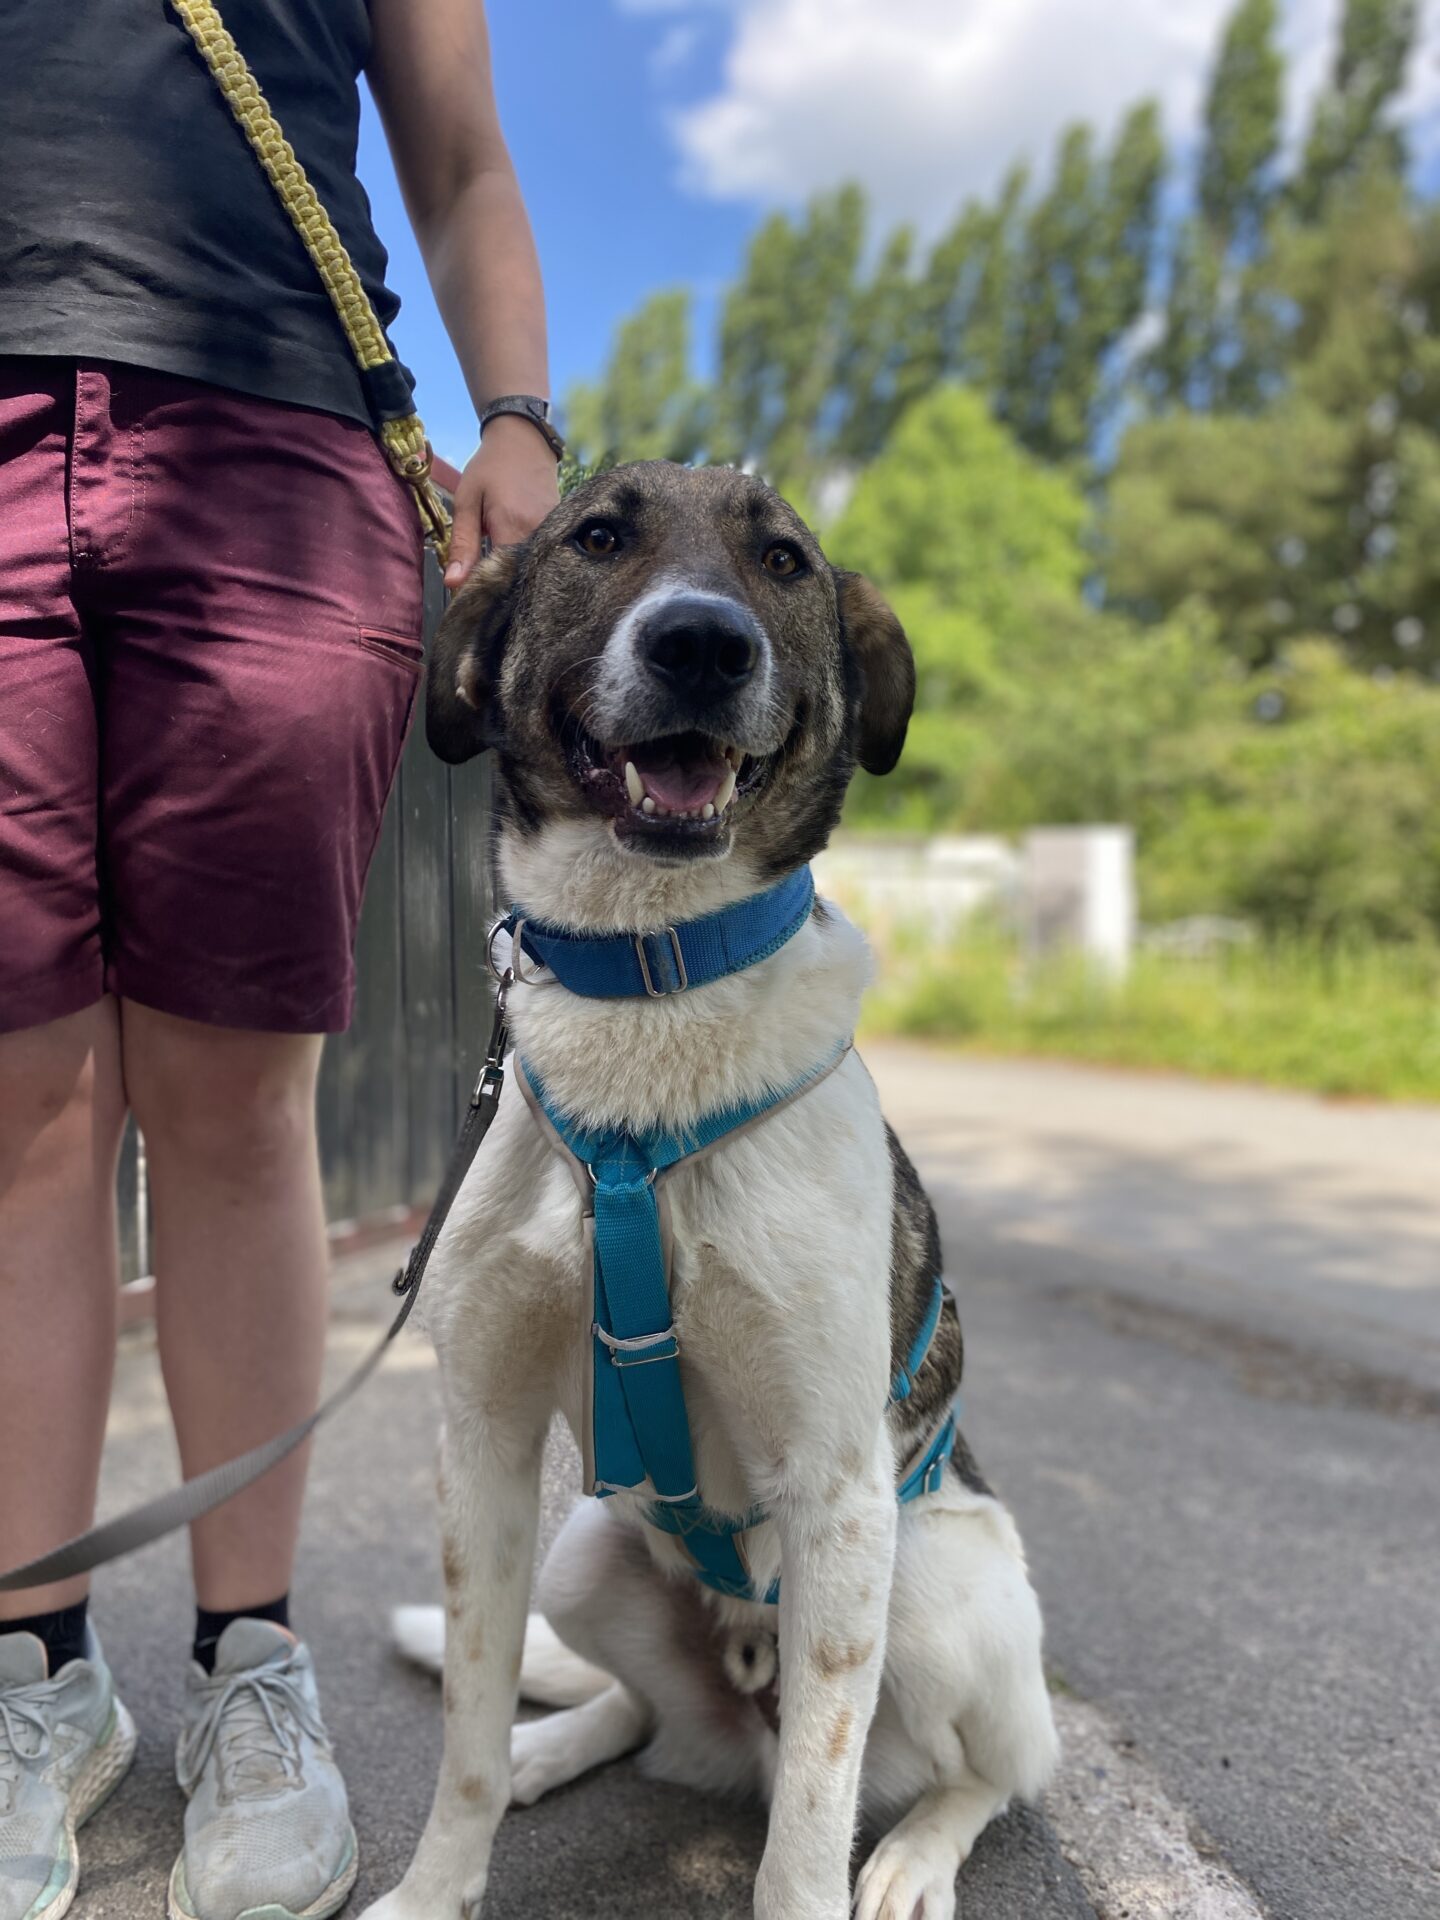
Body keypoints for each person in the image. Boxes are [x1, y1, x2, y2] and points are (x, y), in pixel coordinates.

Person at [0, 3, 558, 1916]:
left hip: (274, 429)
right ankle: (35, 1681)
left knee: (238, 1092)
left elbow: (462, 145)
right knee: (18, 1103)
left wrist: (518, 416)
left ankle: (252, 1664)